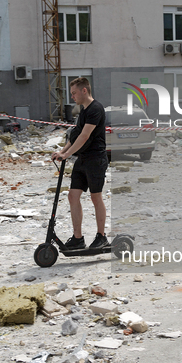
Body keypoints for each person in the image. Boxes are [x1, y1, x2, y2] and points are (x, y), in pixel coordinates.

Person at [51, 77, 109, 250]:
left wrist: (67, 154)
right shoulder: (83, 111)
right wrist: (63, 152)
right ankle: (78, 238)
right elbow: (75, 135)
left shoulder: (96, 109)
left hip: (96, 159)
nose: (73, 97)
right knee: (72, 195)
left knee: (95, 197)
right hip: (82, 159)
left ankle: (101, 237)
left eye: (74, 93)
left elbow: (85, 136)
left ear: (84, 90)